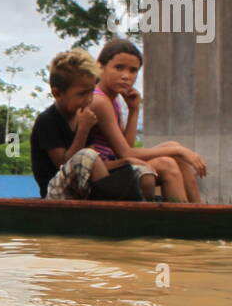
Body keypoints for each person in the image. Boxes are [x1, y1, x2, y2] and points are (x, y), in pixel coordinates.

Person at [88, 38, 207, 202]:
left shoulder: (113, 99)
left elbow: (125, 146)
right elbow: (126, 153)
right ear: (100, 66)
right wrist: (180, 151)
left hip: (116, 165)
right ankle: (184, 219)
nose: (126, 76)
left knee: (172, 146)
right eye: (119, 67)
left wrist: (133, 110)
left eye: (133, 71)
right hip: (100, 172)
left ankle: (199, 211)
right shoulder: (99, 101)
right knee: (167, 162)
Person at [30, 49, 156, 200]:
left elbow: (95, 164)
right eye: (82, 94)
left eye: (91, 92)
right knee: (87, 155)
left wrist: (125, 162)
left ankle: (145, 213)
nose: (89, 99)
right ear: (57, 93)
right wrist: (83, 130)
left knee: (144, 174)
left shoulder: (83, 115)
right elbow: (63, 164)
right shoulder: (47, 121)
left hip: (85, 186)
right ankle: (111, 209)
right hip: (56, 192)